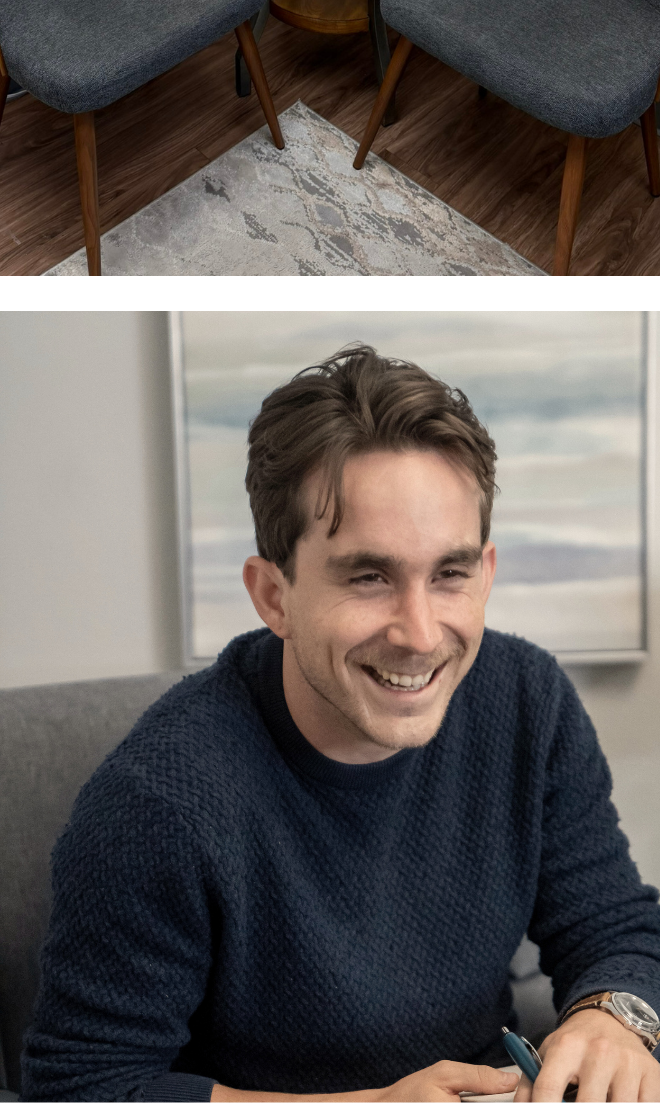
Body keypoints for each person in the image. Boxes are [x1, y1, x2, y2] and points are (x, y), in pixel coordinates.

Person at [21, 346, 660, 1103]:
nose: (421, 634)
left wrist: (611, 1018)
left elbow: (614, 923)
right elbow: (81, 1087)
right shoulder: (156, 802)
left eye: (449, 574)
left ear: (486, 573)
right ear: (273, 596)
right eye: (368, 577)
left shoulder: (527, 700)